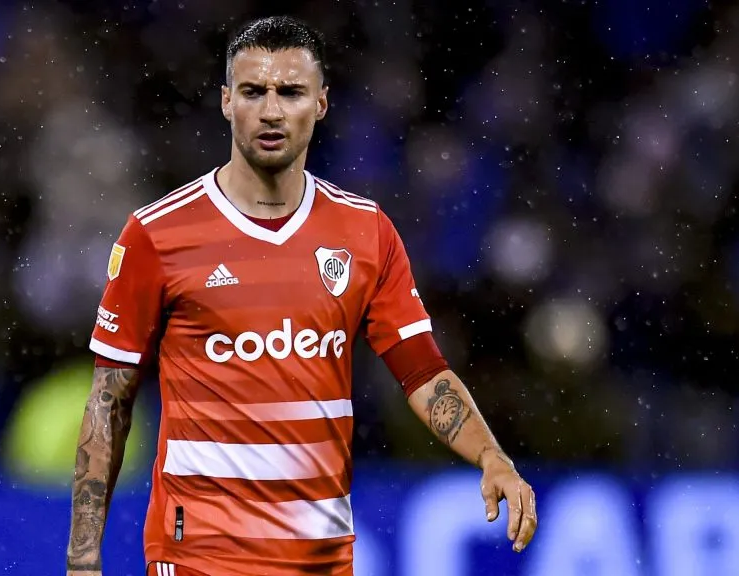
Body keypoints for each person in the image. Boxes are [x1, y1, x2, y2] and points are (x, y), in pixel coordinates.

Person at [65, 15, 537, 576]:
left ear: (321, 103)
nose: (270, 111)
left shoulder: (366, 232)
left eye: (290, 92)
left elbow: (422, 372)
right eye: (252, 92)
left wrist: (491, 455)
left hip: (321, 560)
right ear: (224, 101)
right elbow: (110, 399)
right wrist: (83, 557)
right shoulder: (157, 234)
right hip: (199, 558)